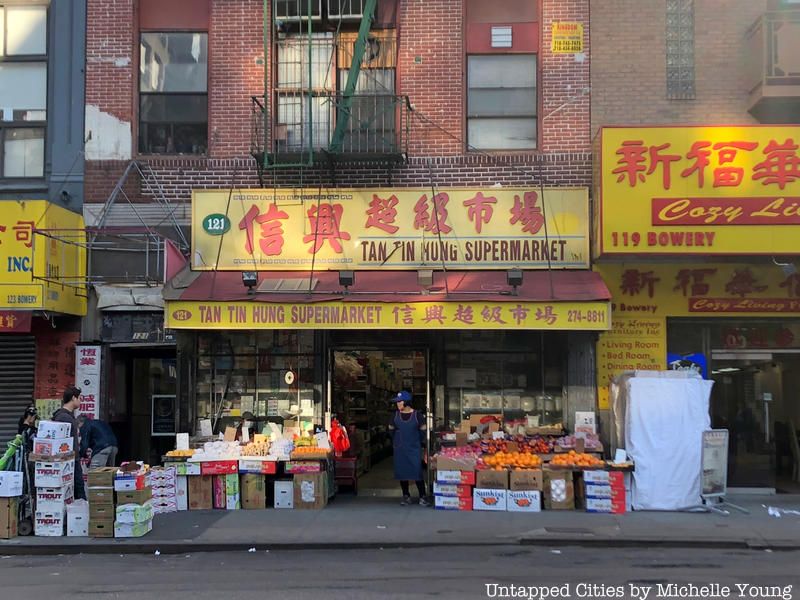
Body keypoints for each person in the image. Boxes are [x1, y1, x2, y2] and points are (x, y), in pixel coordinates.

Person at [388, 390, 429, 506]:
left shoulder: (417, 415)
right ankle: (406, 495)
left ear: (406, 402)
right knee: (402, 472)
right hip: (400, 449)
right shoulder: (395, 415)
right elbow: (391, 429)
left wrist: (419, 442)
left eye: (399, 402)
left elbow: (423, 430)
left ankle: (422, 496)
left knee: (417, 471)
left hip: (413, 448)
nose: (397, 404)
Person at [52, 386, 86, 500]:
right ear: (73, 398)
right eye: (79, 398)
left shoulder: (68, 416)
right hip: (68, 460)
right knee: (78, 487)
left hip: (72, 458)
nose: (80, 401)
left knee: (77, 487)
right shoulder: (63, 417)